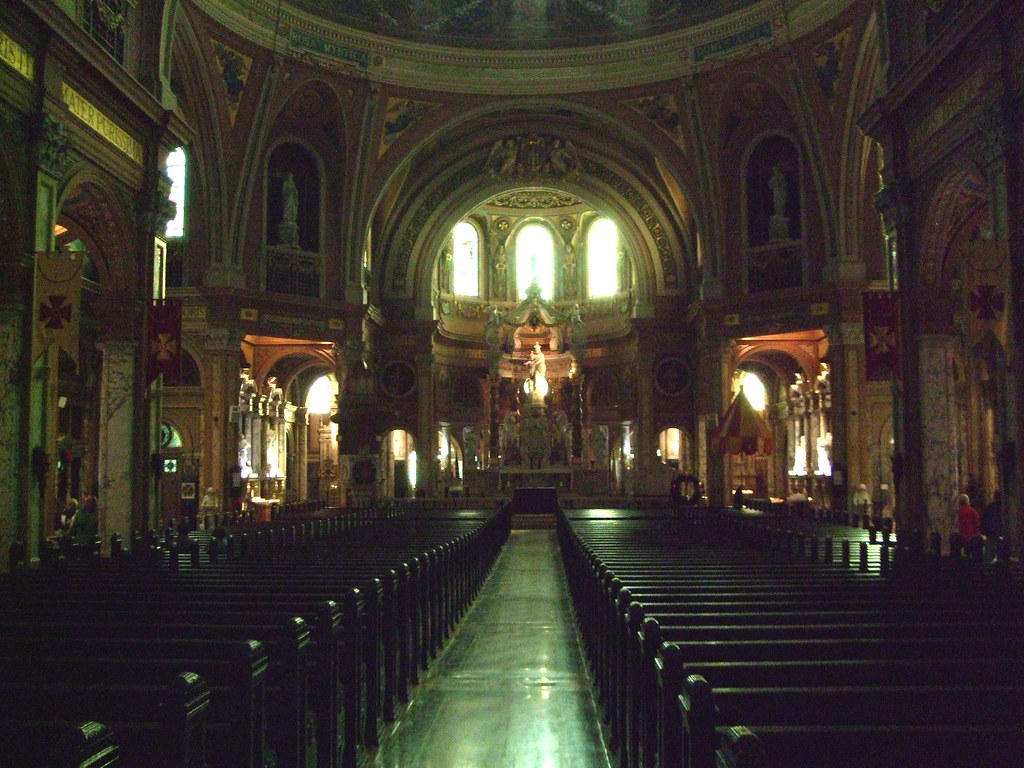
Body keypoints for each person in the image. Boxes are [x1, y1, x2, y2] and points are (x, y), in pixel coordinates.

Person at [956, 493, 981, 560]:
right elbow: (977, 523)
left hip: (960, 535)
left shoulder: (958, 511)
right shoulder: (973, 511)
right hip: (971, 535)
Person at [981, 490, 1003, 562]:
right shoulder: (1004, 507)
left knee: (989, 557)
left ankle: (987, 572)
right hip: (1001, 534)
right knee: (1002, 557)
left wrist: (985, 532)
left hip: (991, 534)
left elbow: (983, 521)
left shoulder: (989, 508)